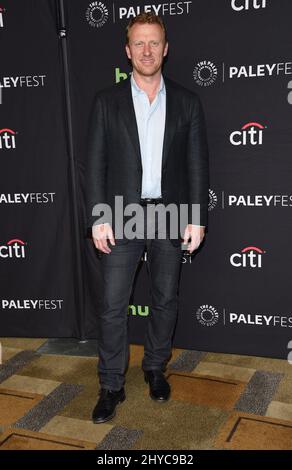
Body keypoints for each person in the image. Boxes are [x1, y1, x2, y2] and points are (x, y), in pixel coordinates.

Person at [85, 12, 209, 424]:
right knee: (113, 305)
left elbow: (196, 165)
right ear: (127, 51)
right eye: (139, 43)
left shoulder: (188, 101)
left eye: (154, 42)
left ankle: (155, 368)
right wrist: (99, 217)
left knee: (165, 300)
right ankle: (111, 385)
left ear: (166, 48)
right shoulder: (107, 101)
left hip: (170, 213)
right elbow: (95, 162)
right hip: (121, 214)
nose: (147, 50)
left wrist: (197, 217)